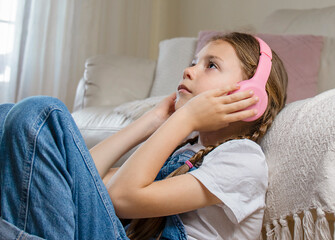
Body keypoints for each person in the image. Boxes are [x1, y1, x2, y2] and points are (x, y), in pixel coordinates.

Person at [0, 32, 287, 240]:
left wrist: (184, 119)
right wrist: (152, 121)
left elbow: (122, 196)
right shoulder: (182, 153)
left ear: (251, 97)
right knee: (7, 116)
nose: (188, 70)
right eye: (194, 61)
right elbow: (80, 182)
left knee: (41, 114)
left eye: (210, 65)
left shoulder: (242, 161)